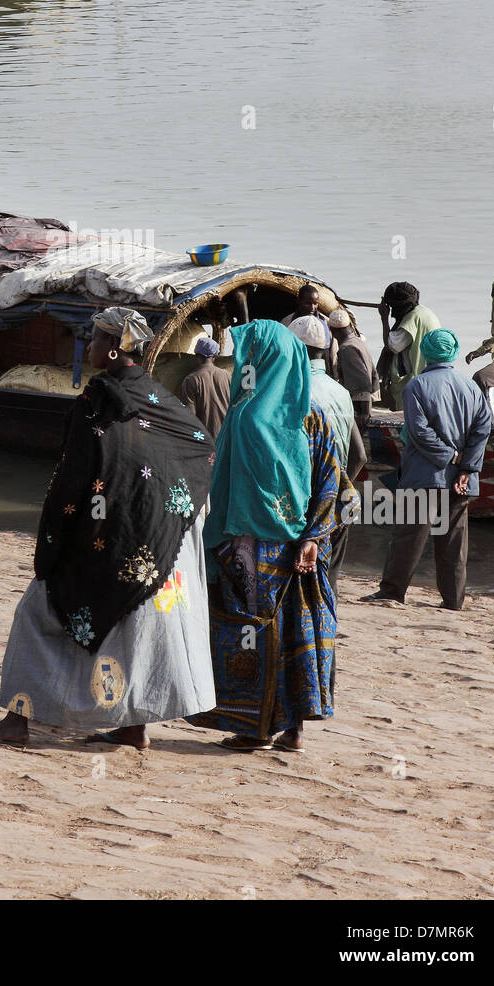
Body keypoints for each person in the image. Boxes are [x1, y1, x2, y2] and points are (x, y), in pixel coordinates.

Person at [0, 306, 215, 751]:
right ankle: (132, 726)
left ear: (117, 347)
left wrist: (53, 540)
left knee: (36, 615)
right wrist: (169, 511)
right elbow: (201, 445)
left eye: (99, 338)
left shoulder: (97, 400)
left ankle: (16, 721)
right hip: (154, 545)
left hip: (108, 539)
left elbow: (74, 477)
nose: (90, 345)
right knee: (131, 633)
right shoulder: (157, 396)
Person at [200, 320, 341, 754]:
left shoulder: (244, 415)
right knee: (298, 634)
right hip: (299, 549)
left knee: (253, 635)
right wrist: (314, 535)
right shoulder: (311, 415)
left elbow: (221, 482)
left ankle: (254, 726)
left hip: (247, 547)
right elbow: (332, 479)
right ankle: (294, 727)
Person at [362, 329, 491, 611]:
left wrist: (452, 457)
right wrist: (467, 466)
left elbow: (419, 433)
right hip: (462, 480)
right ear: (454, 352)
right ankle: (453, 600)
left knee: (408, 537)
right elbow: (483, 430)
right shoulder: (471, 387)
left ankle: (392, 592)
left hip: (425, 476)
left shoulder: (416, 386)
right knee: (454, 544)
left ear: (426, 352)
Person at [289, 315, 364, 599]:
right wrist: (340, 484)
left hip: (304, 499)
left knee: (300, 579)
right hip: (339, 497)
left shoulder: (293, 391)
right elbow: (360, 456)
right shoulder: (341, 393)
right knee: (329, 577)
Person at [377, 282, 440, 410]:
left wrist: (384, 318)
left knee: (408, 412)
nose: (392, 312)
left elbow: (392, 345)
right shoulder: (423, 311)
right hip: (429, 378)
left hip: (414, 381)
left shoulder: (412, 317)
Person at [328, 308, 379, 429]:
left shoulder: (347, 349)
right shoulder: (357, 340)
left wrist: (364, 413)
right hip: (365, 400)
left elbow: (363, 383)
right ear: (350, 326)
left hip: (358, 407)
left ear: (332, 330)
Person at [176, 336, 232, 439]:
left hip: (205, 441)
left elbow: (189, 417)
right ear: (214, 356)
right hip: (227, 438)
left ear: (197, 355)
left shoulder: (191, 380)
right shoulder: (227, 376)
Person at [282, 283, 337, 376]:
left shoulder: (325, 323)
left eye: (315, 303)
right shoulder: (287, 322)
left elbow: (333, 353)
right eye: (308, 303)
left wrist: (334, 375)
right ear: (299, 301)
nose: (312, 307)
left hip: (322, 371)